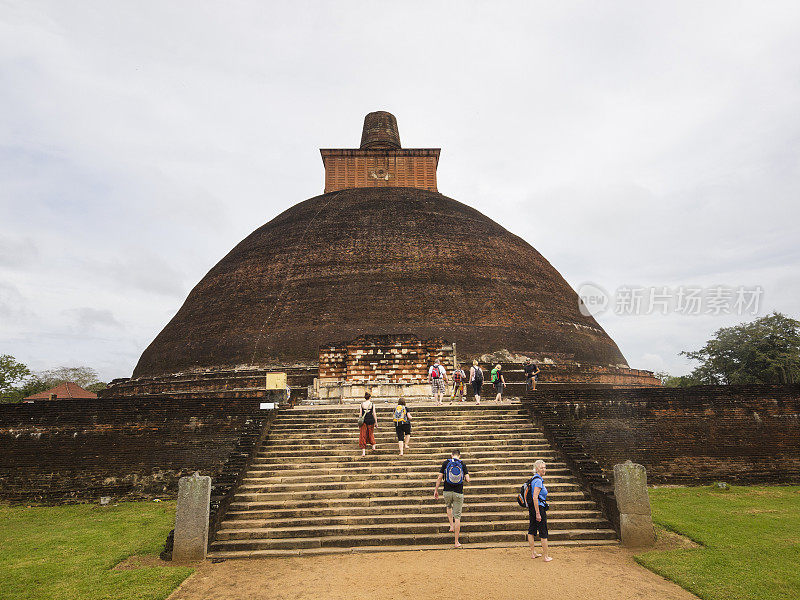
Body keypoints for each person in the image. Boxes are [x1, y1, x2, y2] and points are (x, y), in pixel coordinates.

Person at [433, 449, 470, 548]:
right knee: (457, 517)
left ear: (451, 455)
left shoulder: (446, 462)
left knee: (448, 507)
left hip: (447, 491)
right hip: (458, 492)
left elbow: (439, 477)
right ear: (459, 456)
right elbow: (468, 479)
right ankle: (456, 542)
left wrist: (436, 490)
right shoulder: (462, 464)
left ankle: (451, 525)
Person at [527, 459, 552, 561]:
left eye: (544, 467)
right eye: (542, 468)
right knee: (543, 532)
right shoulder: (538, 480)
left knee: (532, 530)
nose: (544, 469)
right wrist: (538, 513)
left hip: (533, 507)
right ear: (537, 469)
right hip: (538, 507)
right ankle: (545, 556)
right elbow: (535, 497)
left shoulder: (533, 479)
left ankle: (533, 553)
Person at [358, 392, 377, 457]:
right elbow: (374, 414)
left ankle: (363, 452)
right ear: (370, 397)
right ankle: (373, 446)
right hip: (371, 420)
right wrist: (376, 423)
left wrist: (359, 423)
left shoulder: (362, 404)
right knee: (370, 433)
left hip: (364, 421)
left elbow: (360, 414)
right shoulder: (372, 404)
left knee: (363, 435)